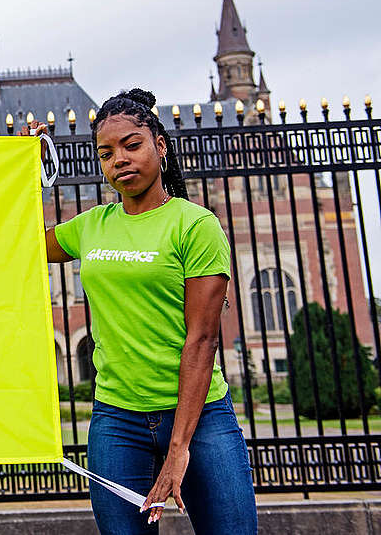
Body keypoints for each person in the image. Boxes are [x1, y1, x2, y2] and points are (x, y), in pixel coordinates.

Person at [25, 88, 256, 534]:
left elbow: (203, 338)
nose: (120, 160)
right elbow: (21, 240)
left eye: (132, 145)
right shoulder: (92, 225)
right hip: (116, 419)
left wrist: (179, 447)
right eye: (107, 153)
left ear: (160, 146)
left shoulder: (195, 225)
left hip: (199, 417)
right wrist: (25, 169)